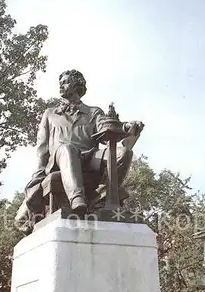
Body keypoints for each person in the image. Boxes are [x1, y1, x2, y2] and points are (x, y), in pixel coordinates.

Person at [16, 69, 144, 231]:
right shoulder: (49, 114)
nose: (61, 86)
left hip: (89, 159)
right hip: (59, 161)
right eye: (60, 83)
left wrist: (127, 127)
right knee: (68, 149)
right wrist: (37, 180)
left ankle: (102, 199)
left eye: (65, 82)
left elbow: (107, 129)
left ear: (77, 85)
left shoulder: (93, 112)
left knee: (123, 153)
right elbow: (42, 150)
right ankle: (77, 200)